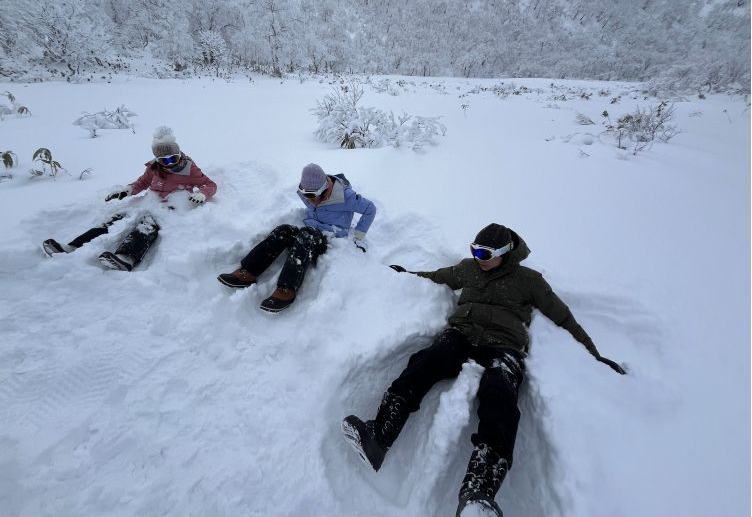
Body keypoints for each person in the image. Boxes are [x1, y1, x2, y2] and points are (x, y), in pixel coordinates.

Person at [341, 224, 625, 517]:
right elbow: (437, 277)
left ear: (505, 253)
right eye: (474, 250)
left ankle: (479, 492)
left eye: (485, 253)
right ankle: (379, 436)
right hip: (461, 336)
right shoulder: (468, 269)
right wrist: (404, 274)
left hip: (504, 347)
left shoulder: (529, 281)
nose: (478, 257)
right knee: (425, 362)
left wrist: (594, 355)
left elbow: (564, 318)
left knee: (500, 393)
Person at [42, 126, 217, 271]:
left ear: (179, 154)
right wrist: (127, 190)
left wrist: (202, 194)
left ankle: (126, 258)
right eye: (165, 160)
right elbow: (142, 183)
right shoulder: (154, 168)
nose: (170, 162)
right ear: (157, 159)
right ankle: (72, 246)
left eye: (174, 157)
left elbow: (210, 185)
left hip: (167, 209)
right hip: (149, 202)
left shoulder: (189, 169)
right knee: (113, 220)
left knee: (146, 226)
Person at [218, 163, 376, 313]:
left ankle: (287, 287)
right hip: (308, 231)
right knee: (284, 230)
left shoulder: (346, 197)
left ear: (325, 188)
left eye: (312, 196)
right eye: (305, 194)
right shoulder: (309, 191)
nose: (308, 199)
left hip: (329, 237)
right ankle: (248, 271)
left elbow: (370, 209)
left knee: (307, 234)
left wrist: (358, 236)